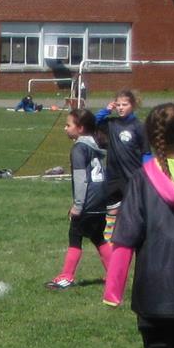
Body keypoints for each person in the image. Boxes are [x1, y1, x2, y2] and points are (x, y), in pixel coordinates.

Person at [108, 101, 174, 348]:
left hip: (155, 288)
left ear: (150, 137)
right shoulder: (143, 179)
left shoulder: (141, 180)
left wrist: (113, 291)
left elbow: (125, 237)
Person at [47, 106, 124, 291]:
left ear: (80, 128)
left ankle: (66, 277)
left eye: (68, 125)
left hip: (88, 202)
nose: (65, 128)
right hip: (100, 201)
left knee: (75, 237)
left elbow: (82, 180)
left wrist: (78, 205)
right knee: (98, 238)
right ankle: (115, 275)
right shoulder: (95, 145)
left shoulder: (79, 149)